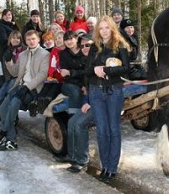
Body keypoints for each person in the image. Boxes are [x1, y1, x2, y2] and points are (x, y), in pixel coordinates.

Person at [85, 16, 130, 182]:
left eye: (107, 27)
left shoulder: (120, 46)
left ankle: (112, 168)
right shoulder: (94, 47)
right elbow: (87, 71)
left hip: (114, 91)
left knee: (114, 130)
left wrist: (106, 70)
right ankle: (104, 167)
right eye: (101, 28)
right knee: (102, 131)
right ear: (97, 30)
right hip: (96, 92)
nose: (104, 31)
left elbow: (126, 69)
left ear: (112, 29)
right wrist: (95, 69)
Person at [0, 30, 49, 151]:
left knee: (13, 104)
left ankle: (3, 134)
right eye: (28, 39)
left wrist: (27, 87)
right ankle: (11, 140)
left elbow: (43, 75)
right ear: (25, 41)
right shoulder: (23, 55)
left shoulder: (44, 54)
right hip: (19, 86)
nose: (31, 41)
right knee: (3, 108)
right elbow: (14, 72)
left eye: (33, 39)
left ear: (38, 39)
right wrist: (8, 62)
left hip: (33, 89)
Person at [54, 34, 94, 173]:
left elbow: (95, 79)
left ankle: (82, 159)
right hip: (82, 92)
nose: (84, 48)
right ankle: (71, 155)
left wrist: (88, 95)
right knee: (72, 122)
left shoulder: (96, 58)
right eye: (82, 46)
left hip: (98, 101)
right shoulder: (83, 58)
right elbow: (70, 74)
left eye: (87, 45)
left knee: (78, 124)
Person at [0, 30, 25, 107]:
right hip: (10, 76)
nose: (15, 40)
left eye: (18, 38)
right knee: (0, 95)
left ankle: (12, 115)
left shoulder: (24, 50)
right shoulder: (7, 50)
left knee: (9, 93)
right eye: (13, 38)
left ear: (20, 40)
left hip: (20, 77)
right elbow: (5, 67)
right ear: (10, 39)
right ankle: (2, 113)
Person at [59, 30, 87, 115]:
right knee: (75, 91)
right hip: (69, 83)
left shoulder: (84, 50)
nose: (68, 42)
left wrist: (71, 72)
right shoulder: (63, 54)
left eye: (71, 39)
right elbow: (65, 75)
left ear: (76, 38)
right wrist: (81, 86)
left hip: (86, 81)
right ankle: (74, 117)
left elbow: (87, 71)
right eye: (66, 40)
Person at [0, 9, 20, 75]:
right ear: (2, 16)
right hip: (6, 51)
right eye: (5, 15)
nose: (7, 16)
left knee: (17, 74)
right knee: (8, 74)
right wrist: (14, 42)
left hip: (17, 51)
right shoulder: (1, 26)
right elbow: (3, 39)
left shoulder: (14, 25)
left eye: (9, 15)